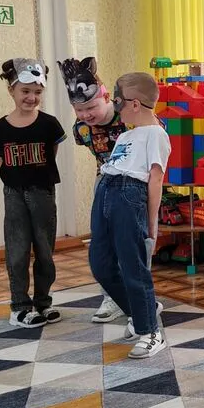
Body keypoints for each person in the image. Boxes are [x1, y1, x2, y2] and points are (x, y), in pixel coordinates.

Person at [89, 72, 170, 358]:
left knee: (134, 267)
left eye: (118, 102)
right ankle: (140, 311)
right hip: (106, 190)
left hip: (129, 194)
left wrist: (151, 224)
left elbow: (156, 179)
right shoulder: (125, 135)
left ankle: (151, 332)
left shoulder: (157, 134)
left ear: (135, 104)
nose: (115, 108)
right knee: (100, 264)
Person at [0, 59, 66, 329]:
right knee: (17, 250)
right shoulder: (0, 128)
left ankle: (43, 302)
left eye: (37, 92)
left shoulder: (49, 124)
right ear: (11, 90)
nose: (31, 97)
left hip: (43, 192)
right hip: (14, 194)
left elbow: (51, 153)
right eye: (25, 91)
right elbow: (1, 161)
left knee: (45, 250)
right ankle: (20, 307)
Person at [57, 56, 130, 324]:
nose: (86, 114)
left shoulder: (130, 117)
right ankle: (111, 297)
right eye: (79, 110)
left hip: (134, 185)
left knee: (132, 244)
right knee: (103, 244)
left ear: (106, 97)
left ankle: (137, 296)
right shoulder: (81, 129)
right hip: (104, 183)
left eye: (91, 107)